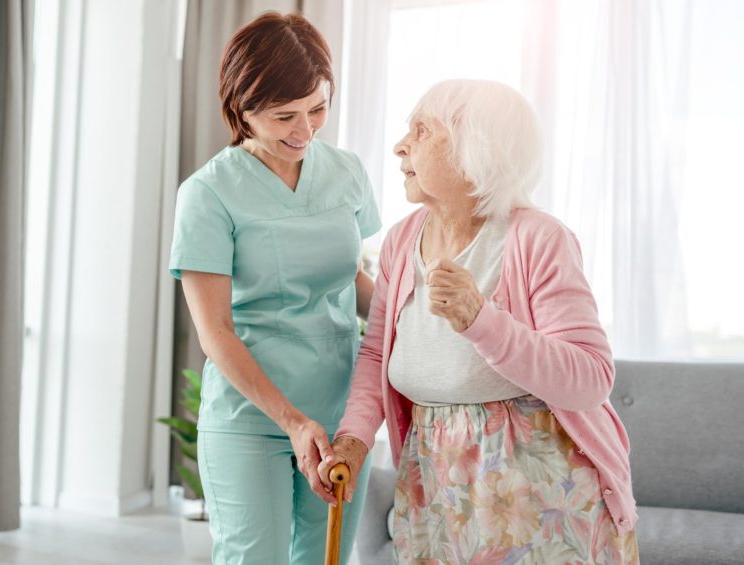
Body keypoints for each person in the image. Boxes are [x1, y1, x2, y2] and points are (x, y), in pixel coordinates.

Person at [319, 79, 640, 564]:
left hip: (537, 491)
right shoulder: (402, 240)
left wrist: (480, 319)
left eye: (422, 131)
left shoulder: (539, 238)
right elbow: (375, 352)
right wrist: (353, 440)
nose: (400, 145)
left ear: (475, 148)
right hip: (430, 476)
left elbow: (591, 379)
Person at [169, 12, 380, 565]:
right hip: (251, 418)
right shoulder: (208, 194)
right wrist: (291, 421)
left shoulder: (347, 171)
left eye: (318, 108)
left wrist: (419, 319)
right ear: (242, 109)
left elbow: (353, 281)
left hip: (340, 418)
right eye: (285, 115)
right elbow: (215, 332)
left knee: (322, 559)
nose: (305, 131)